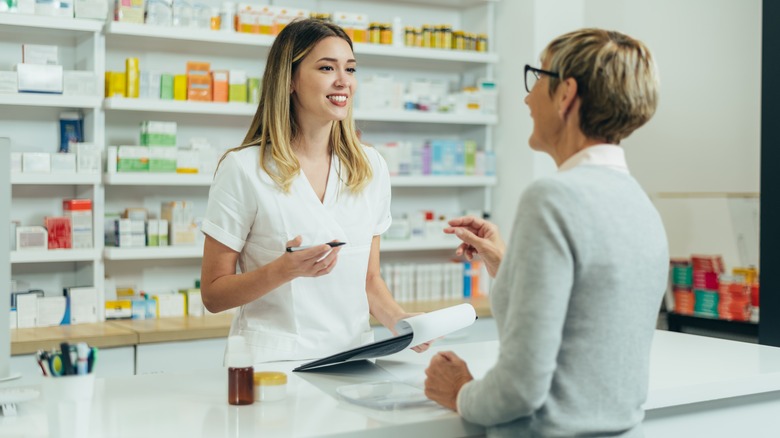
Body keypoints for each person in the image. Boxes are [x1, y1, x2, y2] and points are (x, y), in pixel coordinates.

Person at [424, 28, 669, 437]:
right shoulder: (638, 202)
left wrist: (460, 392)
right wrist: (508, 263)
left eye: (536, 77)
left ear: (565, 94)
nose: (527, 96)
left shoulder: (553, 197)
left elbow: (521, 388)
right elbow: (588, 312)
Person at [200, 18, 425, 363]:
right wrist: (284, 270)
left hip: (353, 358)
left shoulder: (370, 167)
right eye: (326, 67)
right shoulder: (244, 168)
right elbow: (213, 294)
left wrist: (401, 321)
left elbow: (370, 280)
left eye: (350, 69)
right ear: (289, 80)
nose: (343, 82)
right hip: (273, 365)